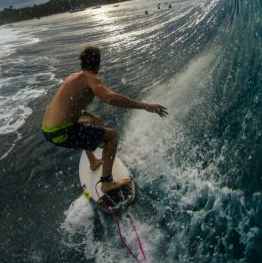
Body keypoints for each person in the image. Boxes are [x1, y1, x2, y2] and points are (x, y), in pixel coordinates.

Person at [42, 46, 168, 193]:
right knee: (112, 137)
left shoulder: (73, 77)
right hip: (61, 132)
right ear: (98, 64)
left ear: (82, 62)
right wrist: (146, 106)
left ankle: (93, 162)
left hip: (48, 129)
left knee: (84, 123)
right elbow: (110, 98)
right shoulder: (91, 78)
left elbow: (72, 104)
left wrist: (92, 116)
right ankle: (107, 182)